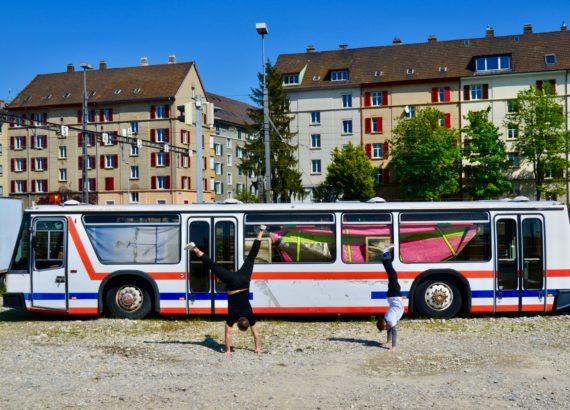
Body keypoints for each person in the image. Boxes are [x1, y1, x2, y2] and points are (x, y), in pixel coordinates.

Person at [186, 225, 266, 357]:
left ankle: (261, 231)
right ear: (239, 325)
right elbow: (227, 334)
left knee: (251, 257)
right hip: (233, 283)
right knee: (213, 266)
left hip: (244, 280)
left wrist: (258, 348)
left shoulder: (250, 317)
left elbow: (256, 335)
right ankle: (194, 248)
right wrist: (228, 350)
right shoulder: (232, 317)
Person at [376, 244, 404, 352]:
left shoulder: (390, 320)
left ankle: (385, 254)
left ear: (384, 324)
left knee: (392, 274)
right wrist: (387, 341)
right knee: (392, 275)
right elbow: (389, 330)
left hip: (394, 295)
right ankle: (386, 254)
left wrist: (394, 347)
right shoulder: (387, 319)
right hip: (392, 296)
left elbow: (394, 332)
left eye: (384, 328)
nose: (386, 329)